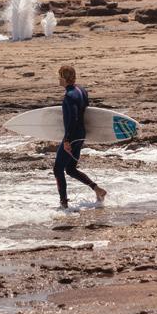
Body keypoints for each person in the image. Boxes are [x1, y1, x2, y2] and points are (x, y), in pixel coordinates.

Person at [54, 65, 107, 209]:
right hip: (80, 134)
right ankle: (98, 190)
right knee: (70, 169)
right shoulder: (81, 90)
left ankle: (63, 204)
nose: (58, 78)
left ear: (63, 77)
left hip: (72, 135)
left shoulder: (70, 96)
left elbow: (73, 118)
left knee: (58, 168)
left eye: (59, 76)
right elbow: (87, 110)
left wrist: (66, 139)